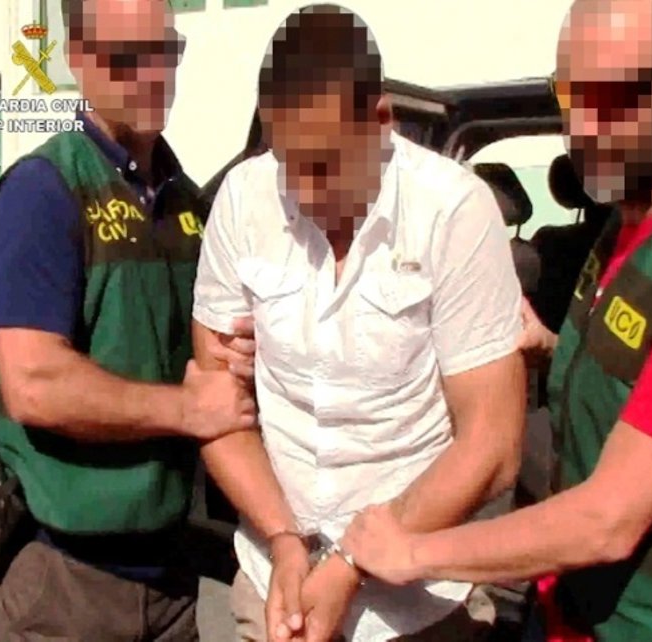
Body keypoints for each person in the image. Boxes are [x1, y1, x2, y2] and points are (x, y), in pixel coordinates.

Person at [341, 1, 652, 641]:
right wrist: (553, 345)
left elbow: (607, 520)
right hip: (567, 610)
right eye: (571, 94)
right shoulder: (625, 222)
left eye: (616, 97)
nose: (584, 126)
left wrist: (412, 551)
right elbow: (650, 379)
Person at [191, 4, 526, 641]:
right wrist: (285, 541)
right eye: (288, 164)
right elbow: (215, 407)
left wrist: (350, 563)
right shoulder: (244, 199)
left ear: (379, 121)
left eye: (324, 166)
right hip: (276, 586)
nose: (305, 193)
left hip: (421, 606)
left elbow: (494, 446)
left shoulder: (452, 211)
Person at [0, 0, 256, 639]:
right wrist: (188, 409)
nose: (150, 74)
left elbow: (196, 350)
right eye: (126, 57)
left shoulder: (186, 204)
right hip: (65, 582)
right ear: (79, 59)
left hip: (171, 580)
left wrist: (238, 354)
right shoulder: (45, 191)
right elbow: (34, 384)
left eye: (163, 52)